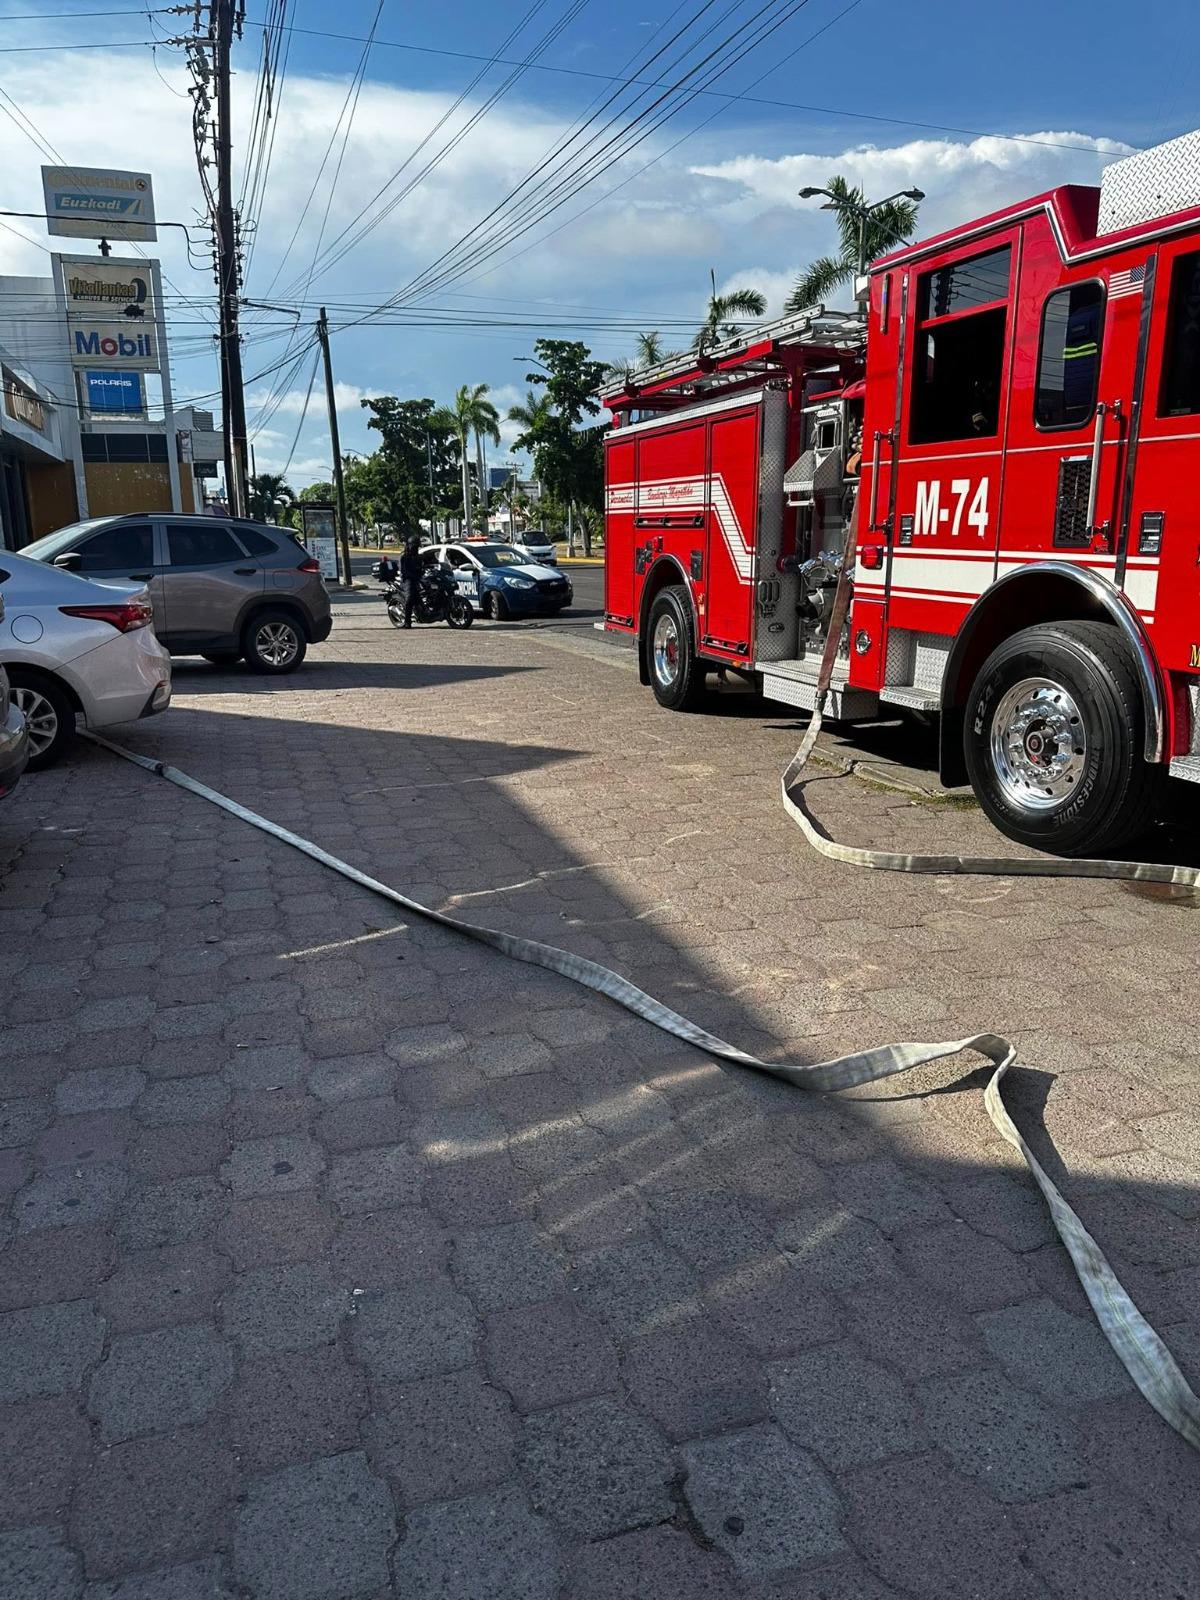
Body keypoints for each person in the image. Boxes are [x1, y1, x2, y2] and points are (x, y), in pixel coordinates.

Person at [398, 536, 423, 628]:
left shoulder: (419, 557)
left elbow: (423, 566)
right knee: (410, 598)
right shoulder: (404, 557)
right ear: (410, 546)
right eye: (414, 546)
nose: (416, 548)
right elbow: (404, 571)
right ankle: (407, 621)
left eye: (417, 547)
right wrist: (414, 576)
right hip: (408, 580)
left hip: (418, 578)